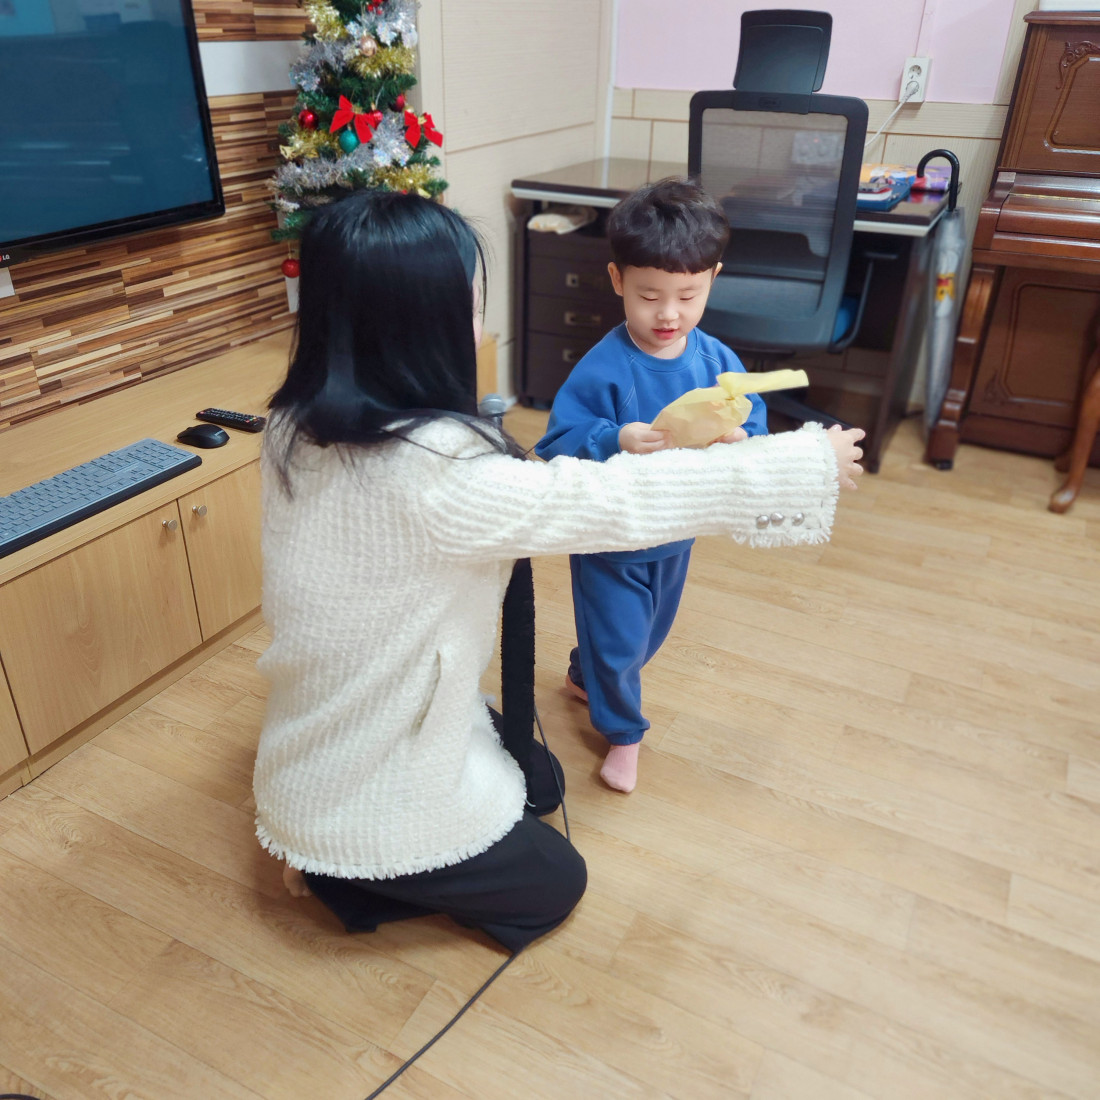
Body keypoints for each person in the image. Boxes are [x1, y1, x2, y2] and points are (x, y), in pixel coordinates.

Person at [253, 187, 863, 953]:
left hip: (351, 710)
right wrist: (800, 463)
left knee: (539, 783)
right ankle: (341, 872)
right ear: (419, 329)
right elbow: (604, 499)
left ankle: (354, 848)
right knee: (555, 885)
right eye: (472, 307)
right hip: (360, 782)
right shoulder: (436, 475)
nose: (481, 327)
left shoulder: (296, 423)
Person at [535, 177, 843, 794]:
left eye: (687, 295)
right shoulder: (604, 367)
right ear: (618, 280)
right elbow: (557, 442)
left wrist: (740, 438)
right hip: (611, 538)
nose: (668, 314)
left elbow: (753, 426)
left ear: (713, 280)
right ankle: (624, 734)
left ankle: (584, 675)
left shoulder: (718, 363)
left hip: (677, 535)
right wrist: (616, 437)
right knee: (621, 643)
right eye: (648, 295)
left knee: (646, 636)